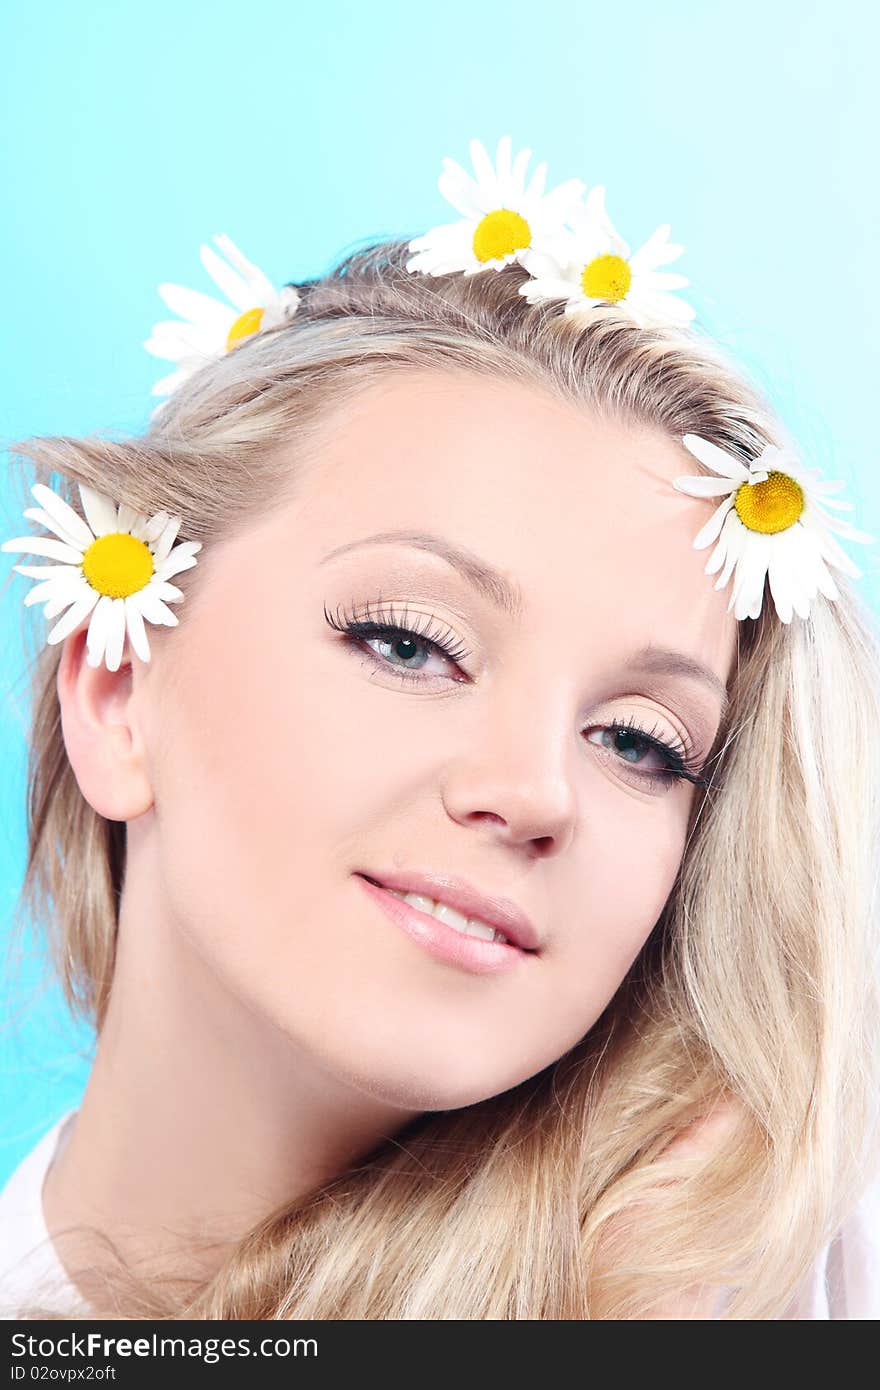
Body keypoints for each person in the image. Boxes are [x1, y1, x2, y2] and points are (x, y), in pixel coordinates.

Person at [1, 138, 879, 1319]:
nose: (531, 791)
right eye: (409, 642)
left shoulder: (801, 1247)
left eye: (637, 741)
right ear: (115, 693)